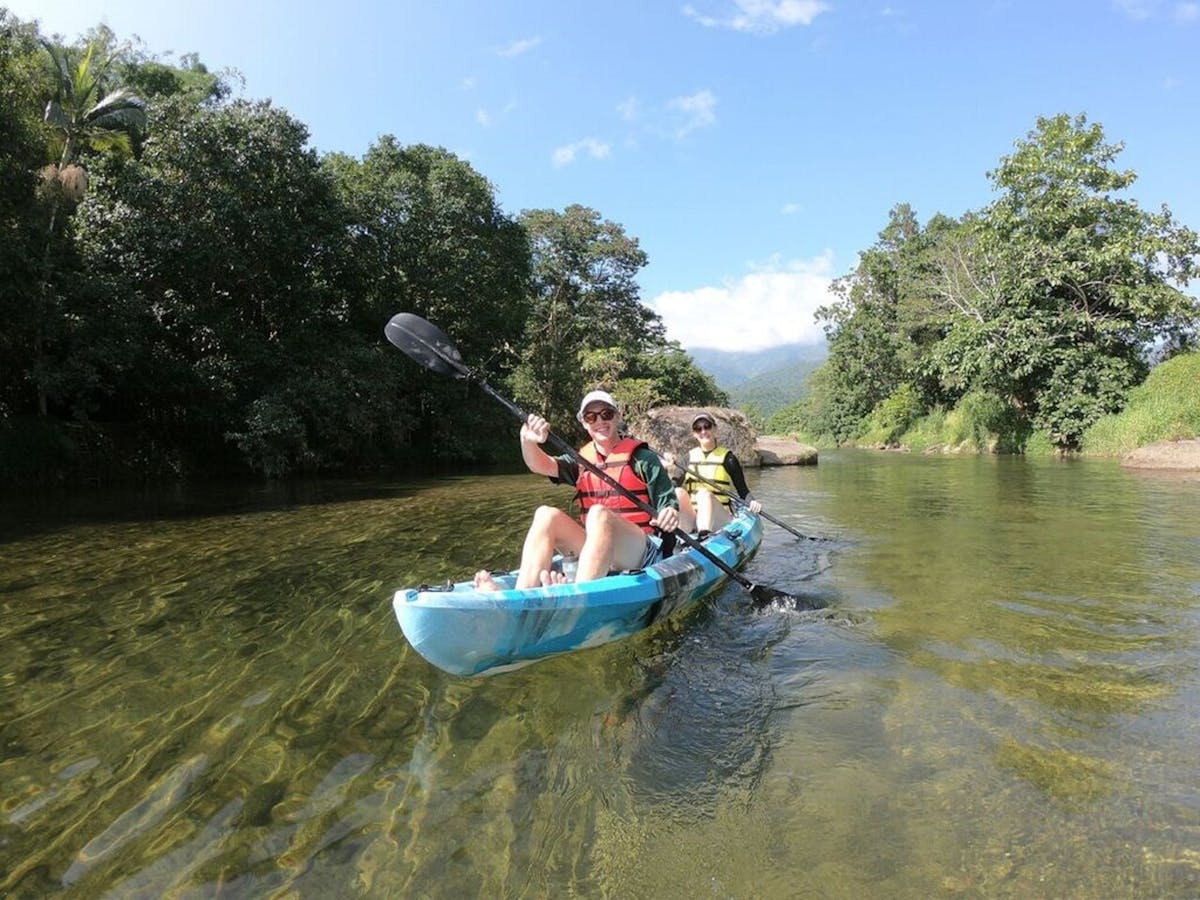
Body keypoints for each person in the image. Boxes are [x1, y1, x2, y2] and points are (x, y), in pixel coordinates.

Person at [474, 390, 680, 590]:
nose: (599, 421)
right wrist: (527, 440)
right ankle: (522, 596)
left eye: (606, 414)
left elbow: (668, 503)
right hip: (597, 549)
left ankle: (578, 596)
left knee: (599, 514)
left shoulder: (644, 459)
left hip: (639, 552)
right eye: (591, 417)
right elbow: (540, 465)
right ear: (583, 422)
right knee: (546, 515)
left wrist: (669, 513)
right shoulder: (580, 461)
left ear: (617, 417)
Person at [664, 412, 762, 536]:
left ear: (715, 429)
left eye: (707, 426)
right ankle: (683, 537)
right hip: (693, 517)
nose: (703, 431)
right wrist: (666, 468)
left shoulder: (728, 459)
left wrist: (752, 502)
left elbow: (742, 490)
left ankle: (704, 535)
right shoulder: (687, 458)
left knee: (704, 494)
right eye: (698, 429)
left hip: (720, 518)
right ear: (694, 434)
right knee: (678, 492)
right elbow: (671, 487)